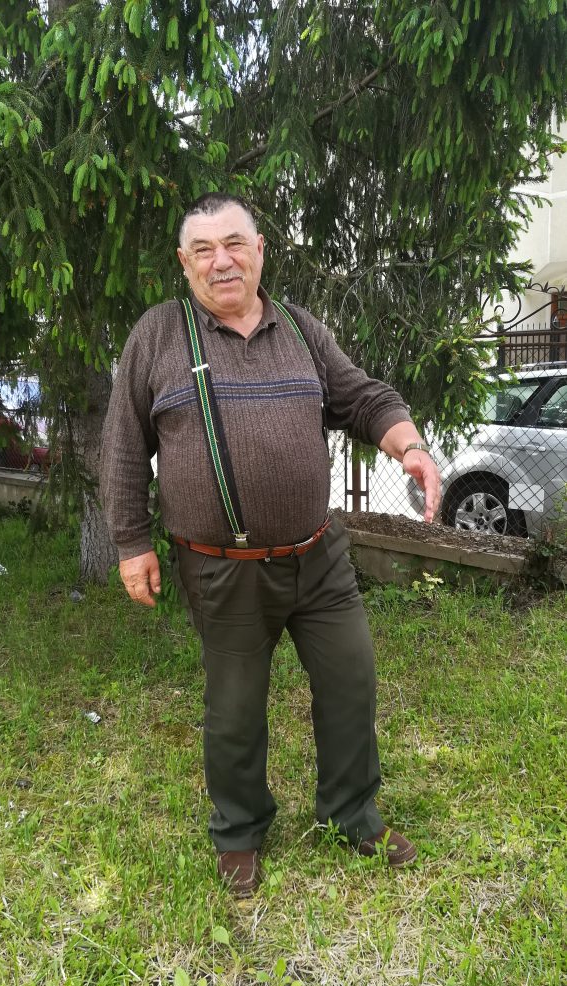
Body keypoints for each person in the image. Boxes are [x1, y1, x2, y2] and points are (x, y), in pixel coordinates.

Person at [100, 192, 441, 898]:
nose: (221, 261)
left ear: (259, 250)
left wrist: (408, 445)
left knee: (350, 682)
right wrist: (132, 542)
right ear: (185, 263)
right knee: (234, 710)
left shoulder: (301, 329)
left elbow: (363, 398)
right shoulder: (158, 335)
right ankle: (239, 830)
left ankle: (352, 814)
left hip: (319, 557)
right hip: (221, 570)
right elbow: (124, 445)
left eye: (234, 243)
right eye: (203, 249)